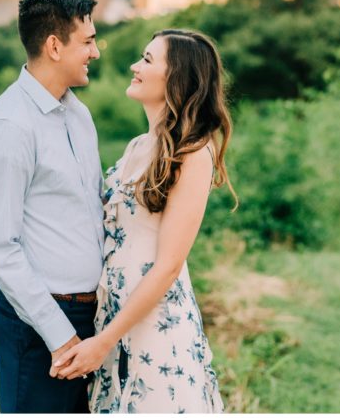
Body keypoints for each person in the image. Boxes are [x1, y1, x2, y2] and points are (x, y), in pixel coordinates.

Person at [55, 28, 236, 413]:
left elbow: (169, 265)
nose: (135, 66)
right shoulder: (138, 145)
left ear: (178, 79)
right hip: (113, 317)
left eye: (149, 60)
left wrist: (104, 341)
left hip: (156, 324)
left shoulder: (192, 153)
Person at [0, 0, 104, 413]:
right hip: (40, 325)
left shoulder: (78, 115)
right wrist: (60, 336)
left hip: (93, 319)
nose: (96, 52)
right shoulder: (9, 128)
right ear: (54, 46)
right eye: (88, 41)